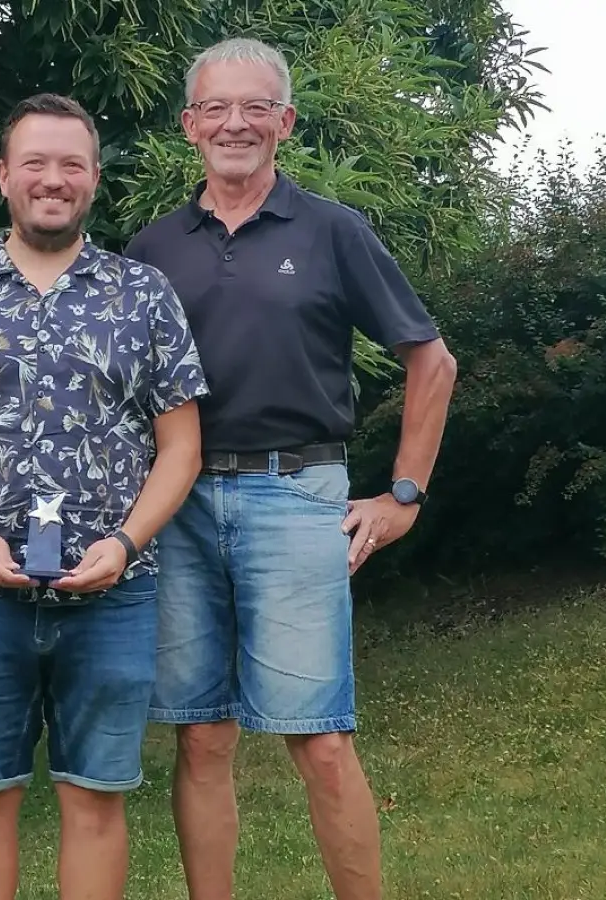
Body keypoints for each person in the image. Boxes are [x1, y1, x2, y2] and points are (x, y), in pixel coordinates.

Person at [122, 37, 458, 900]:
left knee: (319, 737)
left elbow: (431, 361)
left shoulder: (333, 230)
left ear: (285, 121)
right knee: (199, 737)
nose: (235, 123)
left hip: (296, 496)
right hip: (180, 503)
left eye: (255, 106)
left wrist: (405, 493)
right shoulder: (149, 248)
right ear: (190, 125)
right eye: (216, 108)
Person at [0, 93, 209, 900]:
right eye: (34, 162)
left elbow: (182, 445)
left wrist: (125, 543)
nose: (51, 179)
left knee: (94, 802)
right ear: (3, 177)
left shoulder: (143, 294)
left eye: (70, 164)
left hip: (114, 597)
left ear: (93, 178)